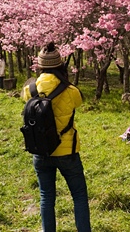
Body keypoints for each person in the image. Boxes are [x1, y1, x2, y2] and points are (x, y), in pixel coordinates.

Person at [22, 42, 91, 232]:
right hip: (67, 151)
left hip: (41, 151)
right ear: (60, 64)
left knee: (46, 196)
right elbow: (78, 103)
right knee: (79, 196)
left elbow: (24, 96)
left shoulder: (30, 90)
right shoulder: (71, 91)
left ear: (40, 65)